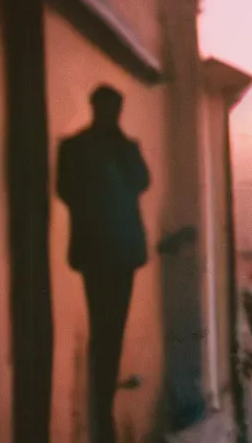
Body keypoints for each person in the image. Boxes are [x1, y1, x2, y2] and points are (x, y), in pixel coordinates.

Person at [57, 84, 150, 442]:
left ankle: (103, 399)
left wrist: (121, 148)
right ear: (98, 109)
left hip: (118, 252)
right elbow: (67, 190)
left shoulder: (123, 148)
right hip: (102, 251)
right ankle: (102, 404)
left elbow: (142, 181)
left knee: (112, 326)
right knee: (106, 325)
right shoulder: (76, 148)